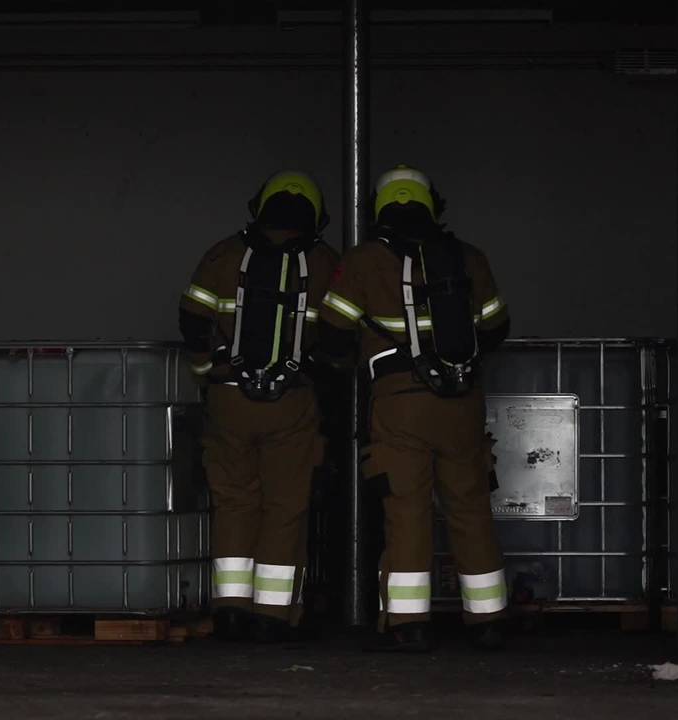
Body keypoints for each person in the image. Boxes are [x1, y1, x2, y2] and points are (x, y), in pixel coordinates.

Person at [316, 164, 511, 651]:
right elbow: (496, 329)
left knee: (406, 510)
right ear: (432, 204)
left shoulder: (364, 261)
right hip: (461, 404)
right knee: (470, 508)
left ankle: (410, 625)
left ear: (378, 207)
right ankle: (488, 620)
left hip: (400, 403)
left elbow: (332, 333)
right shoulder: (469, 257)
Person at [179, 171, 340, 642]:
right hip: (293, 401)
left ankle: (230, 609)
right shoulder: (325, 262)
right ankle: (272, 614)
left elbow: (193, 319)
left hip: (230, 399)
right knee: (285, 505)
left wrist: (208, 370)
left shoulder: (224, 255)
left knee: (233, 502)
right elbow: (341, 336)